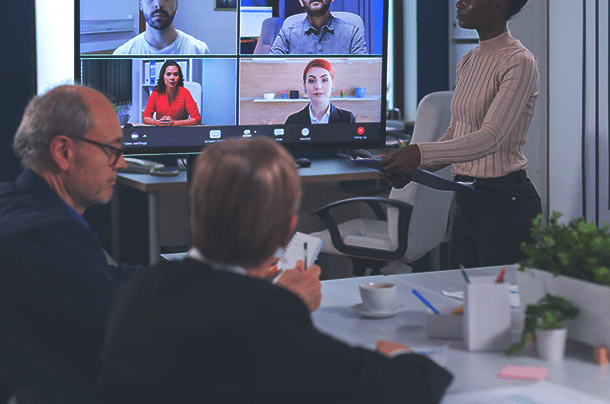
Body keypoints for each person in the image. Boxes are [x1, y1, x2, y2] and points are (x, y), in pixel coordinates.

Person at [98, 136, 452, 404]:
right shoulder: (267, 317)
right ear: (287, 230)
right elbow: (416, 385)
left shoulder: (138, 290)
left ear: (197, 214)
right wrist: (399, 353)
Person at [380, 0, 541, 270]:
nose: (459, 3)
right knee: (462, 298)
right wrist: (413, 168)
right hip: (466, 198)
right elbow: (458, 134)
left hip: (505, 202)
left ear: (498, 6)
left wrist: (419, 154)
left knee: (500, 308)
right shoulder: (468, 60)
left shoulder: (519, 61)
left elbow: (490, 138)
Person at [0, 85, 142, 404]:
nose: (121, 164)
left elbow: (110, 276)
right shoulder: (50, 234)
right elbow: (134, 335)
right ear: (64, 152)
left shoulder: (13, 200)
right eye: (113, 150)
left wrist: (200, 276)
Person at [113, 0, 210, 55]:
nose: (159, 4)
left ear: (176, 3)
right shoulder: (123, 54)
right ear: (141, 4)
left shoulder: (199, 51)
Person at [269, 0, 368, 55]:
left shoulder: (352, 32)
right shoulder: (287, 34)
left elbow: (363, 71)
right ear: (301, 1)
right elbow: (271, 69)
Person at [284, 58, 355, 124]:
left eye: (324, 80)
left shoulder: (347, 119)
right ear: (305, 85)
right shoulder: (292, 121)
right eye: (311, 81)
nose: (318, 86)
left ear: (332, 84)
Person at [142, 60, 202, 126]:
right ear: (163, 76)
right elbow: (146, 117)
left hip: (181, 132)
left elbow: (197, 118)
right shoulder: (156, 93)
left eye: (175, 74)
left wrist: (174, 123)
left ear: (179, 77)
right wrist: (158, 122)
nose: (172, 78)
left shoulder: (185, 92)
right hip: (161, 132)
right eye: (168, 74)